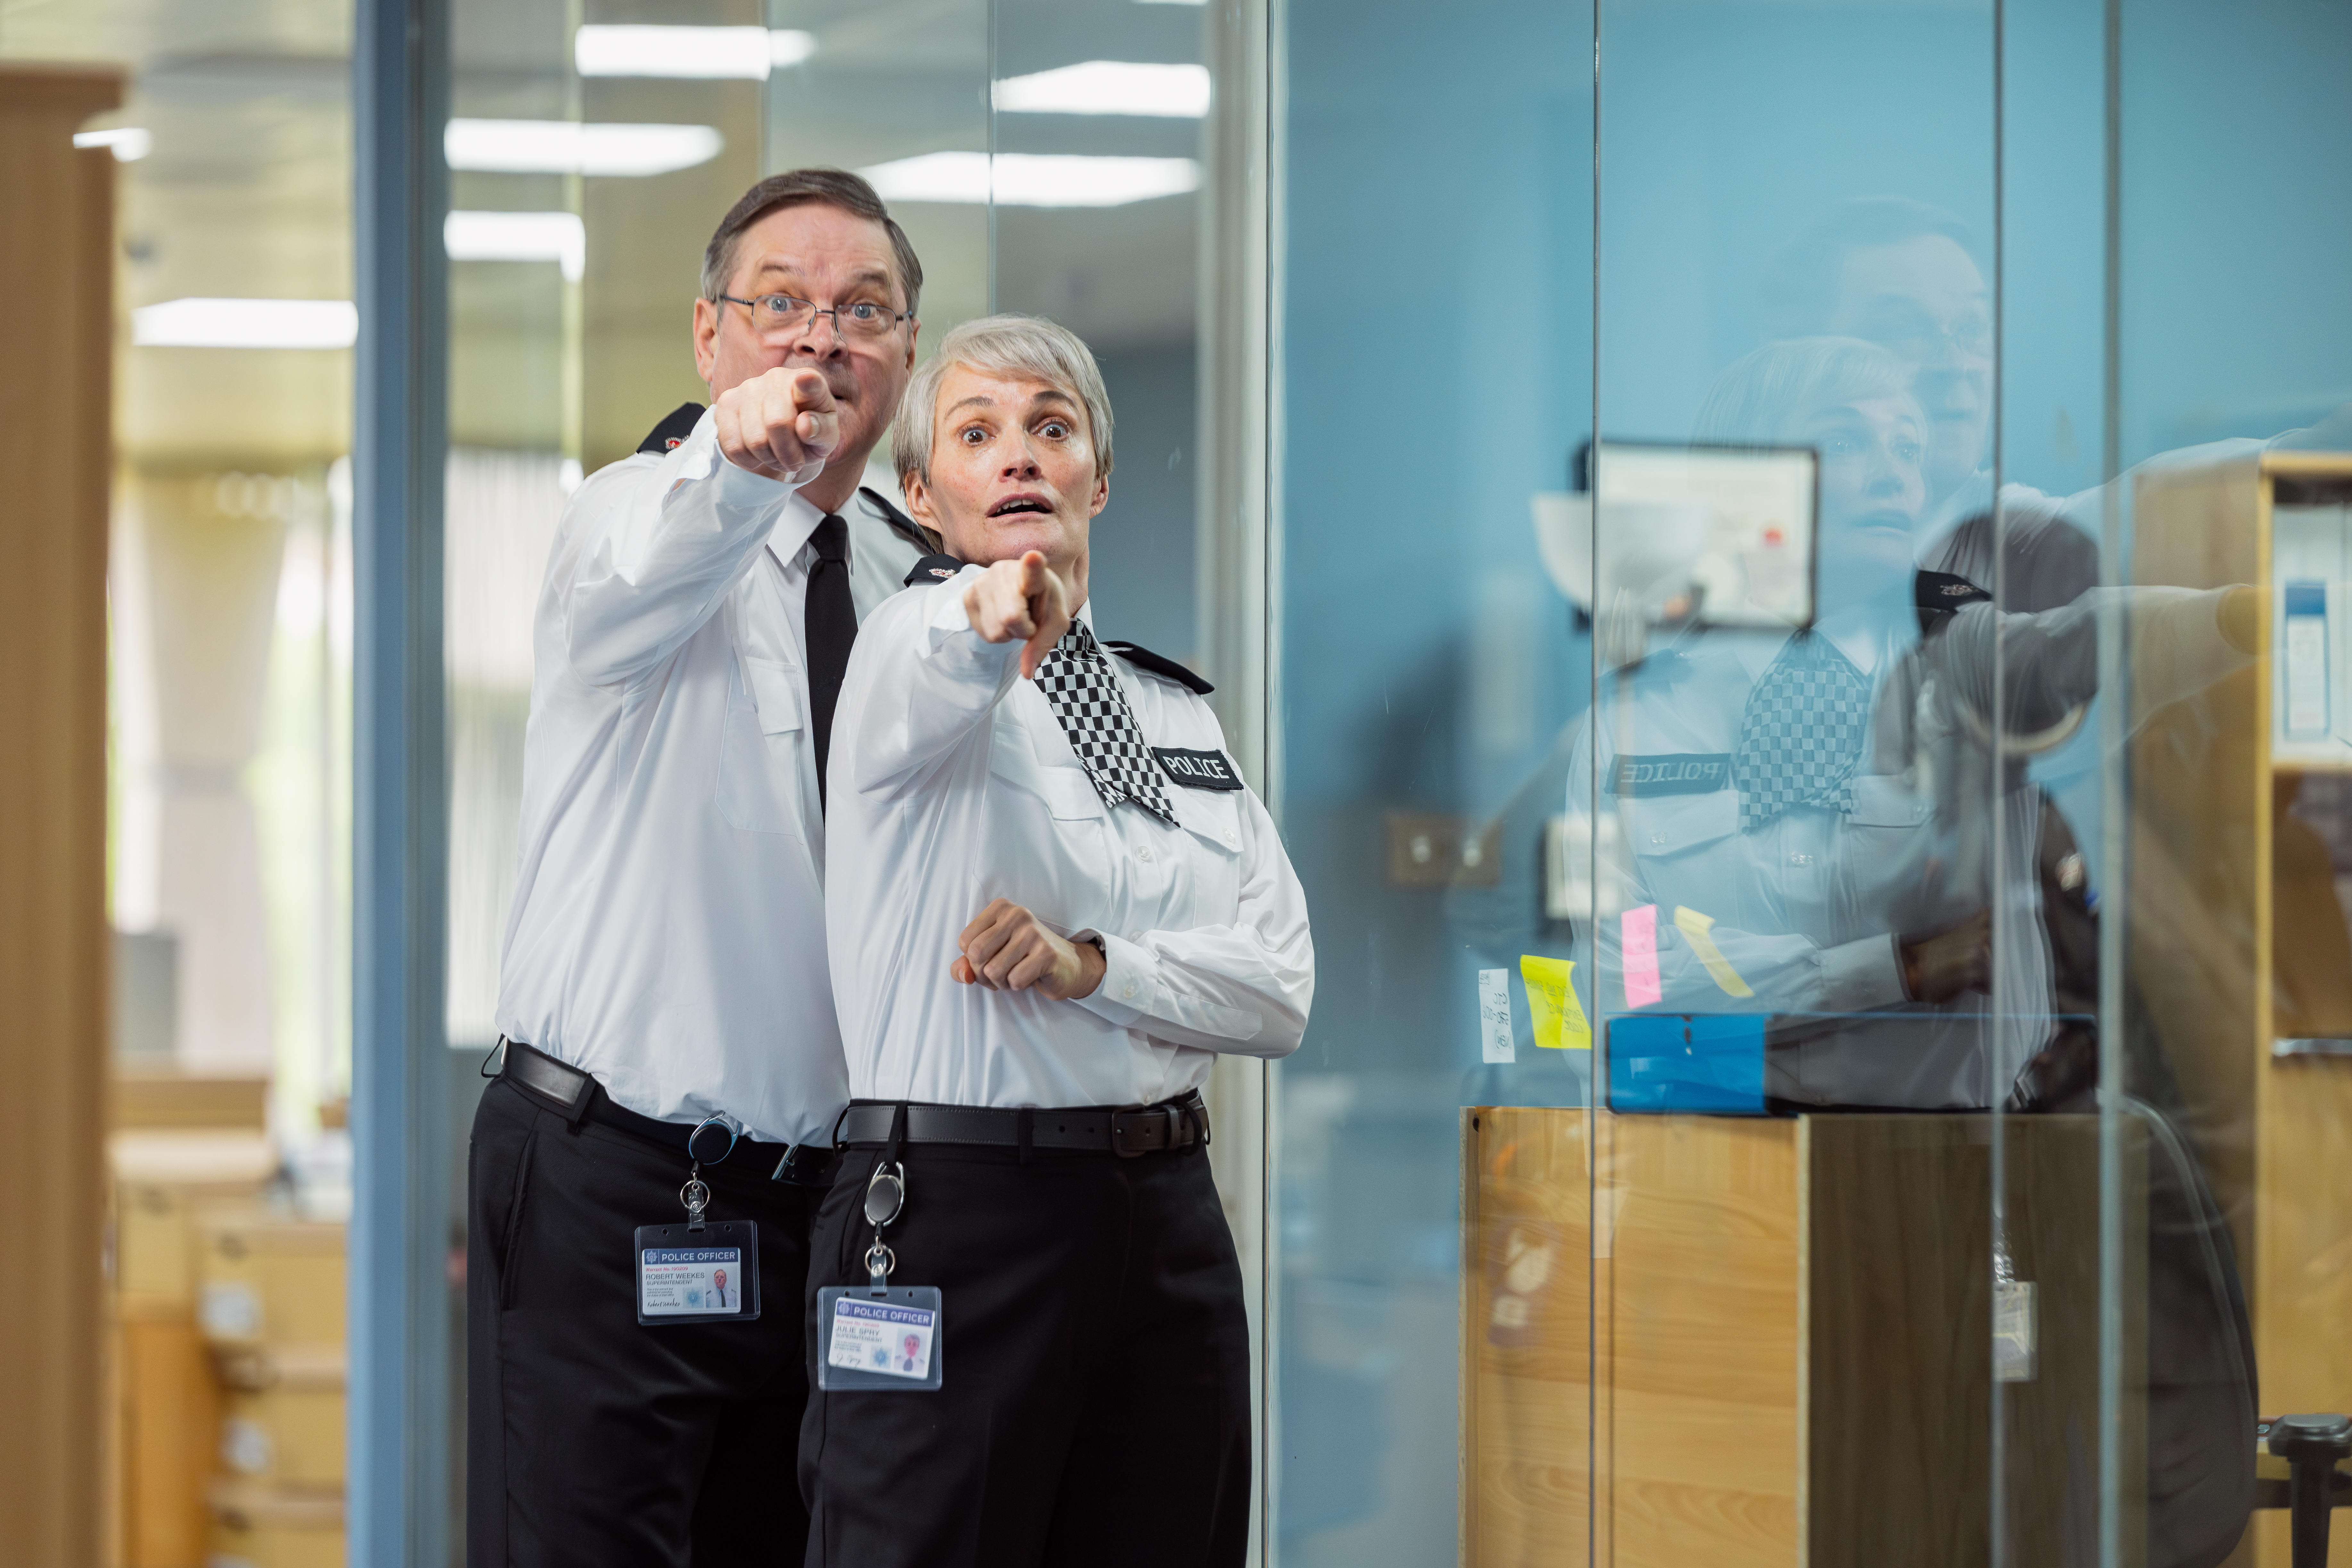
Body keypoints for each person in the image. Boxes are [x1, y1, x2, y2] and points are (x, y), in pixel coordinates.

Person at [467, 168, 931, 1568]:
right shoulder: (630, 513)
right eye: (780, 303)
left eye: (863, 309)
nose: (821, 336)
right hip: (617, 1183)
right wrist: (738, 466)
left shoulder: (915, 580)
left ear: (906, 351)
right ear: (708, 334)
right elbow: (637, 594)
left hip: (835, 1212)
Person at [802, 314, 1316, 1567]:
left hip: (1166, 1216)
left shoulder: (1174, 713)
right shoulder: (904, 658)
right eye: (976, 436)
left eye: (1050, 428)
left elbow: (1278, 993)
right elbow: (953, 645)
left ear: (1100, 474)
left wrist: (1096, 969)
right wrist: (994, 599)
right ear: (921, 496)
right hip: (958, 1210)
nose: (1019, 456)